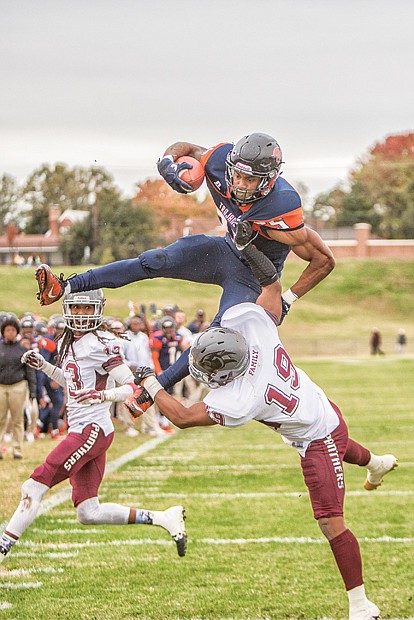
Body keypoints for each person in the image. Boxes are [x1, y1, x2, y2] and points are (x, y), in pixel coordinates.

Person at [125, 301, 397, 620]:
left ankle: (361, 605)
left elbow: (182, 417)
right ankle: (375, 463)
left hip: (316, 434)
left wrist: (150, 382)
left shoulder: (240, 398)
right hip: (319, 405)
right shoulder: (256, 331)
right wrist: (251, 251)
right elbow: (271, 287)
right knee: (340, 443)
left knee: (330, 520)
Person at [34, 132, 335, 395]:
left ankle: (153, 389)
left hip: (253, 276)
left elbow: (324, 260)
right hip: (223, 250)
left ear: (269, 180)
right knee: (155, 259)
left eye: (249, 179)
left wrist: (288, 298)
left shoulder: (283, 208)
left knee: (218, 337)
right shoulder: (220, 160)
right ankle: (65, 286)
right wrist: (167, 161)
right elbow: (188, 148)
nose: (240, 184)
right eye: (237, 175)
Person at [0, 289, 186, 565]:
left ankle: (3, 548)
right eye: (76, 309)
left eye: (87, 309)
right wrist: (45, 368)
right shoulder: (70, 341)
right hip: (87, 429)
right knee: (88, 512)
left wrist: (103, 395)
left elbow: (129, 386)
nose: (80, 315)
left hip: (91, 428)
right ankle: (164, 518)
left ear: (98, 311)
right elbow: (74, 383)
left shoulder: (102, 343)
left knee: (34, 486)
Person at [0, 316, 37, 459]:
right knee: (1, 419)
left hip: (18, 385)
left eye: (12, 330)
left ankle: (17, 449)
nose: (10, 333)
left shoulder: (22, 350)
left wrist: (33, 391)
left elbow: (30, 372)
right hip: (1, 386)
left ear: (17, 332)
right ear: (3, 332)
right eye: (7, 330)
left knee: (17, 419)